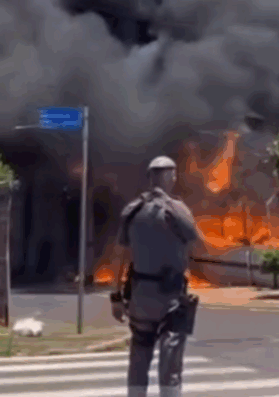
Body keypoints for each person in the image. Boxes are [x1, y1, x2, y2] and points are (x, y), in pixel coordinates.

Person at [110, 156, 204, 397]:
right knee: (170, 369)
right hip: (170, 300)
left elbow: (119, 256)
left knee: (138, 362)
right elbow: (199, 245)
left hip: (140, 299)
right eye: (174, 174)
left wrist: (116, 297)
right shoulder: (177, 210)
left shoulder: (132, 210)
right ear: (169, 176)